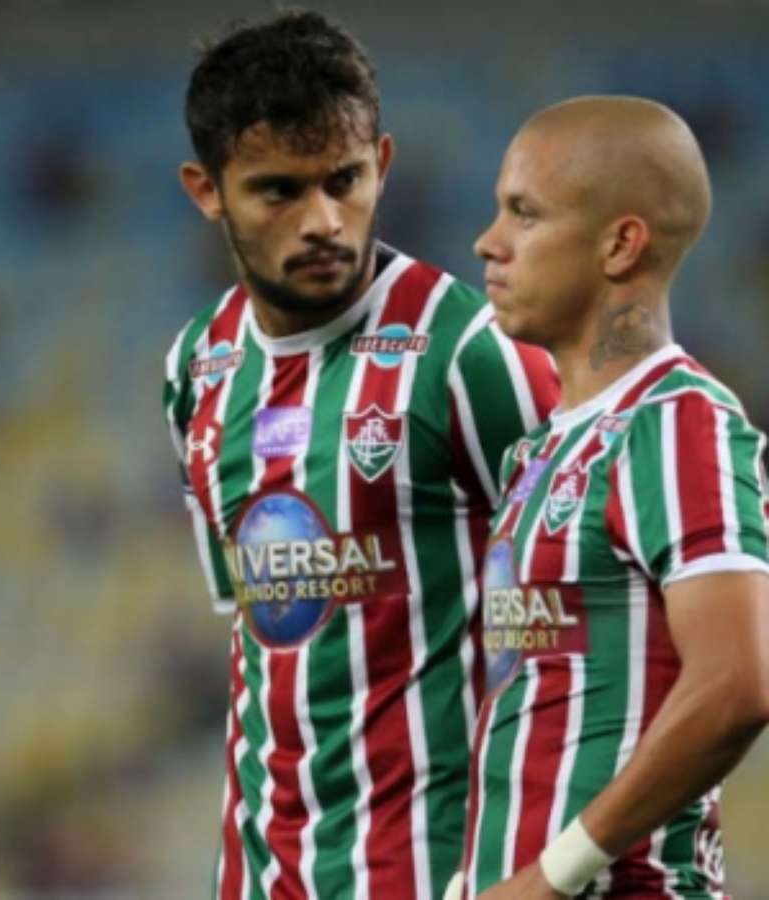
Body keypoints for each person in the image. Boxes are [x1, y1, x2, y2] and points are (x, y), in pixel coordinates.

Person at [162, 11, 559, 898]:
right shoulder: (196, 366)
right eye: (278, 191)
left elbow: (591, 616)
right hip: (262, 872)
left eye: (344, 181)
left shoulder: (473, 352)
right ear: (206, 190)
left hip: (441, 866)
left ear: (382, 162)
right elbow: (260, 628)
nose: (322, 222)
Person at [459, 95, 769, 899]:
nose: (489, 241)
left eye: (524, 213)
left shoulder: (675, 421)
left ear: (620, 244)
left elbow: (737, 684)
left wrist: (551, 877)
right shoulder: (539, 451)